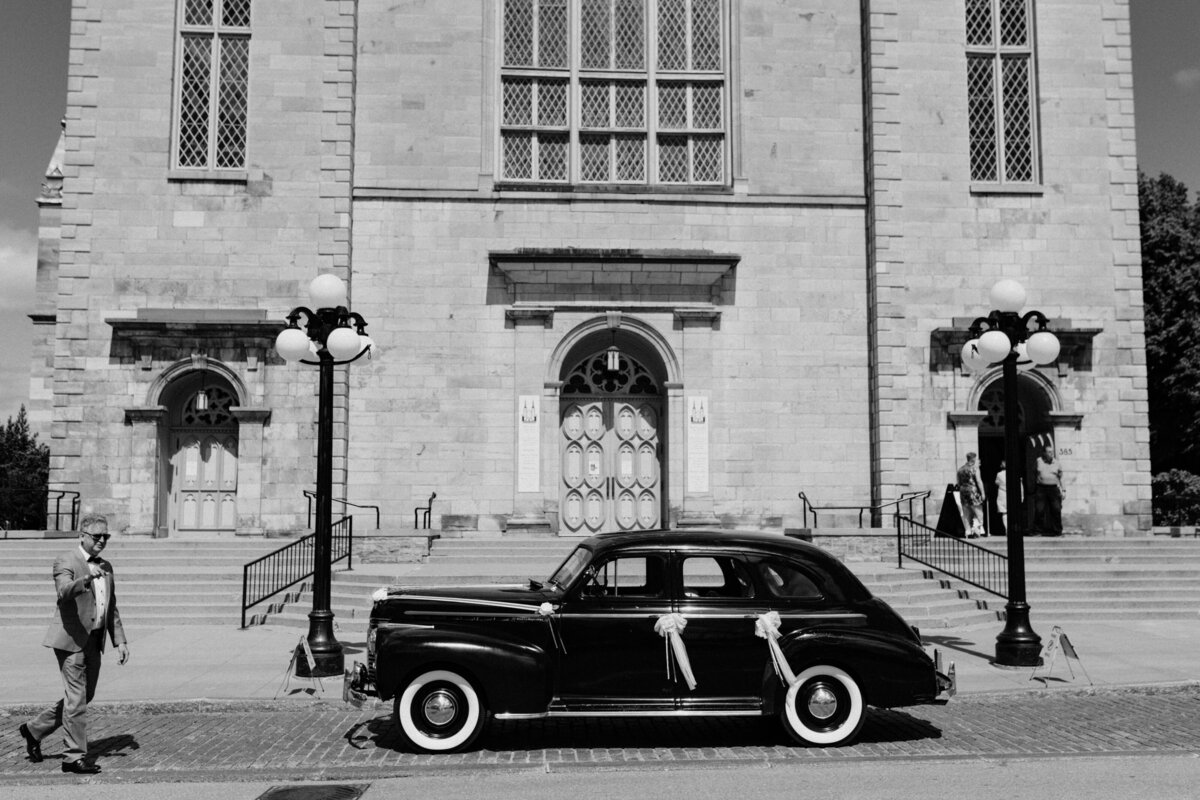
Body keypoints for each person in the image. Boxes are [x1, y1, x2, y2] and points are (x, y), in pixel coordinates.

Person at [18, 514, 129, 775]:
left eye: (106, 536)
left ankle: (34, 729)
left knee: (83, 696)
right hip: (71, 639)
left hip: (95, 638)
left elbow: (110, 607)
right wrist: (87, 580)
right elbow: (63, 591)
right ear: (82, 535)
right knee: (77, 699)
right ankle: (73, 757)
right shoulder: (66, 560)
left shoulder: (107, 566)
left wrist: (120, 641)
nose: (102, 541)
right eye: (97, 536)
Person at [1033, 445, 1065, 536]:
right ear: (1044, 453)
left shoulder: (1057, 463)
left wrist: (1064, 490)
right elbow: (1033, 473)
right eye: (1049, 452)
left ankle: (1057, 531)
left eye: (1052, 452)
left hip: (1053, 488)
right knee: (1039, 510)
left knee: (1056, 509)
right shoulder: (1038, 461)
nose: (1052, 454)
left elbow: (1061, 477)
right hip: (1041, 488)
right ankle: (1038, 531)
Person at [956, 452, 986, 538]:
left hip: (963, 491)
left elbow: (958, 482)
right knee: (978, 512)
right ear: (973, 459)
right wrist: (983, 493)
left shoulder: (960, 469)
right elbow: (979, 481)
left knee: (966, 513)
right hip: (973, 491)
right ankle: (976, 528)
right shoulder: (975, 469)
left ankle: (968, 531)